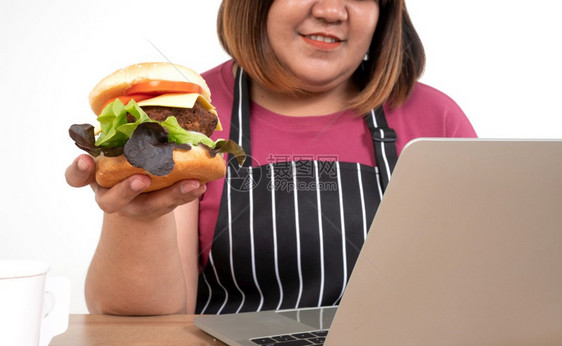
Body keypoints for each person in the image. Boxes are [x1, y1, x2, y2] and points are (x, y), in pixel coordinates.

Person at [66, 0, 476, 315]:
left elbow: (478, 288)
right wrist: (138, 218)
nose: (331, 10)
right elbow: (144, 317)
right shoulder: (195, 113)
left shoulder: (435, 117)